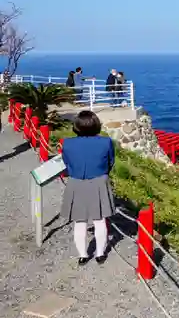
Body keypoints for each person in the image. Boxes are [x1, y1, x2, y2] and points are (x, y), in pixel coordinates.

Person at [60, 110, 116, 265]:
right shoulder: (106, 142)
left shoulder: (68, 143)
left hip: (76, 182)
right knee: (99, 220)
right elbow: (111, 162)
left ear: (76, 126)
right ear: (96, 125)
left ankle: (83, 255)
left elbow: (66, 162)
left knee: (80, 222)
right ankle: (100, 254)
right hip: (99, 181)